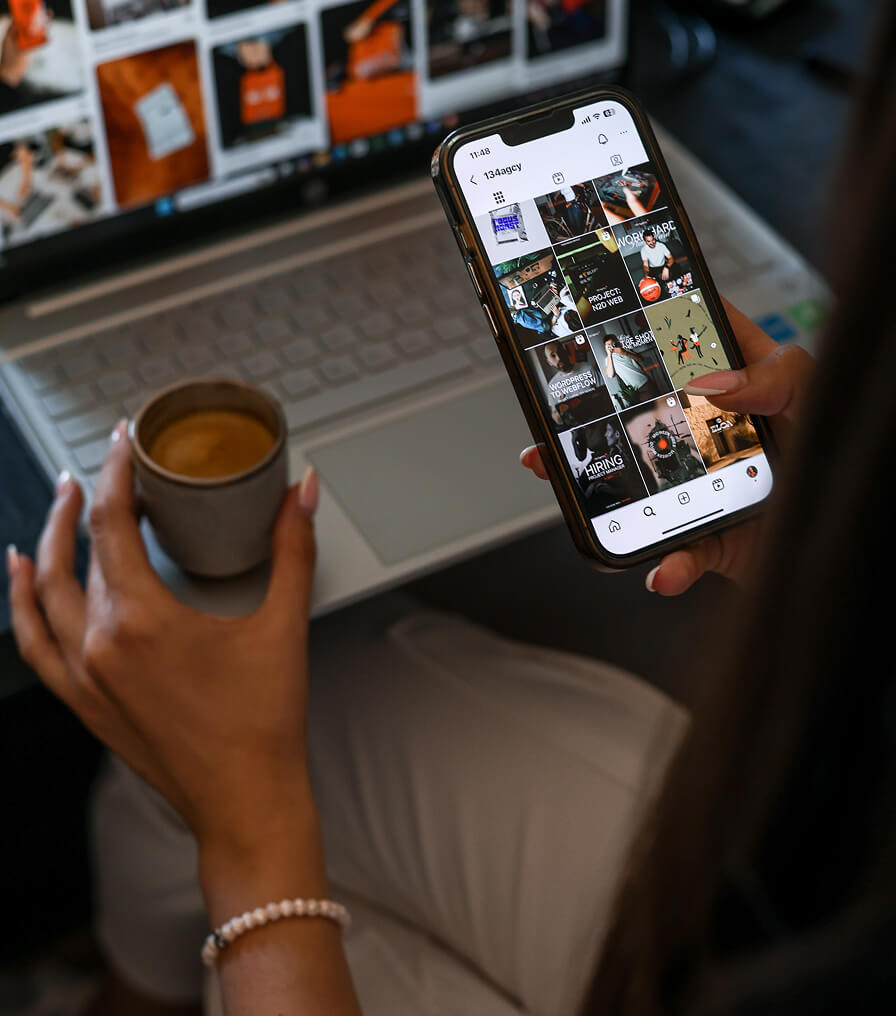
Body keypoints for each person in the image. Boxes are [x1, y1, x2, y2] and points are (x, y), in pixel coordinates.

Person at [8, 7, 896, 1016]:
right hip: (835, 867)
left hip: (787, 931)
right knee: (281, 754)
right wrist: (823, 553)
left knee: (204, 765)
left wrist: (250, 837)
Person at [603, 333, 659, 408]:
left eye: (612, 344)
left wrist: (624, 353)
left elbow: (640, 359)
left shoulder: (624, 350)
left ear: (615, 342)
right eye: (608, 345)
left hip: (645, 383)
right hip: (633, 390)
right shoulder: (608, 359)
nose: (611, 347)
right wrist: (609, 355)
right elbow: (610, 375)